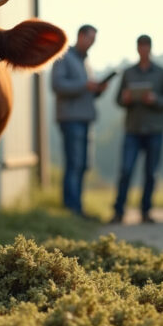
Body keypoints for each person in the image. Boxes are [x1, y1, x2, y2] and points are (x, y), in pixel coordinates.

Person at [111, 34, 163, 224]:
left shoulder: (162, 73)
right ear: (137, 48)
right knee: (126, 170)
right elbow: (118, 100)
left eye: (146, 47)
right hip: (133, 129)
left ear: (150, 48)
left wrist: (156, 100)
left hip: (155, 130)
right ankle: (119, 212)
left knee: (150, 173)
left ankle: (146, 212)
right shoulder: (128, 73)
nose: (143, 50)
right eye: (141, 47)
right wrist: (126, 99)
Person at [51, 24, 107, 218]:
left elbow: (84, 90)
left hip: (85, 118)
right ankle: (71, 210)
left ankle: (78, 208)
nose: (92, 44)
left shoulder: (86, 61)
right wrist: (85, 85)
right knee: (74, 164)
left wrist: (97, 89)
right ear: (81, 36)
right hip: (70, 119)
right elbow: (57, 85)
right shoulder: (64, 56)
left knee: (82, 165)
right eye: (90, 39)